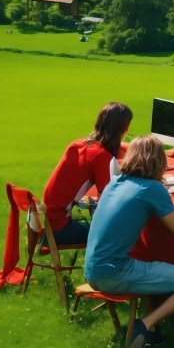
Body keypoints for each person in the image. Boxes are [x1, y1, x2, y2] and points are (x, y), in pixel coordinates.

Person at [84, 135, 174, 348]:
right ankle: (146, 325)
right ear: (159, 160)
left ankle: (151, 327)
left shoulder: (116, 181)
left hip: (92, 270)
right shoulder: (152, 189)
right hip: (114, 274)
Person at [42, 102, 133, 246]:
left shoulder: (80, 144)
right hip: (61, 228)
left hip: (48, 222)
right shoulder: (102, 157)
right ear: (125, 128)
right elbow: (109, 202)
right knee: (121, 235)